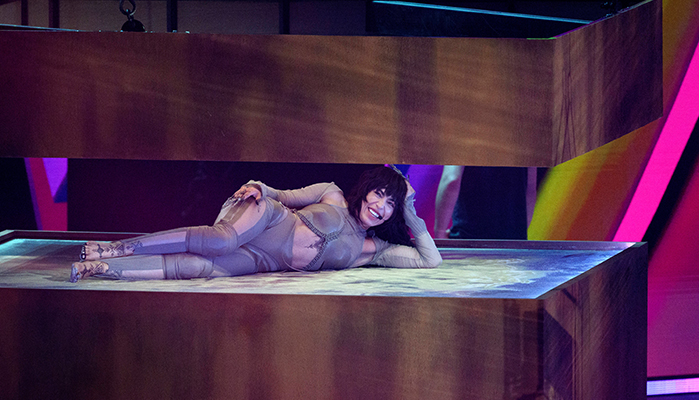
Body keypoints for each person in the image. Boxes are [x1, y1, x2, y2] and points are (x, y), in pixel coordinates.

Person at [70, 166, 442, 282]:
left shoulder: (372, 250)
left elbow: (430, 260)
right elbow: (283, 195)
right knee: (220, 241)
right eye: (379, 195)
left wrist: (410, 208)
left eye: (390, 205)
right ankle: (114, 248)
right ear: (366, 189)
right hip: (267, 219)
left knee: (199, 268)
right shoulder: (332, 194)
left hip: (266, 261)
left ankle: (101, 269)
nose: (380, 206)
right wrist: (260, 189)